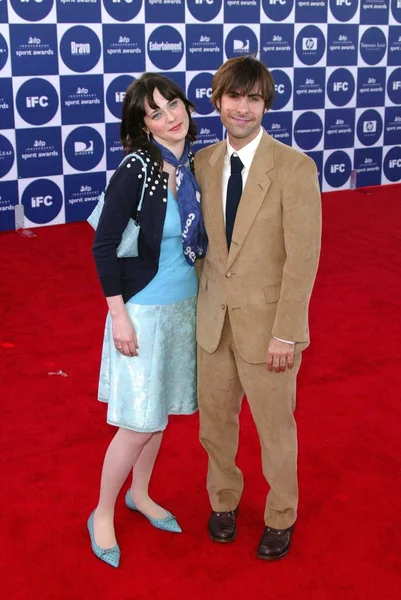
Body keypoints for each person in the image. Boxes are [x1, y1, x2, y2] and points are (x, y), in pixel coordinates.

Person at [194, 56, 322, 560]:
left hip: (269, 327)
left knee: (275, 429)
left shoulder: (294, 167)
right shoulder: (201, 163)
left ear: (265, 103)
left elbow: (303, 258)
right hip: (213, 324)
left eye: (252, 98)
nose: (241, 108)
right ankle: (223, 501)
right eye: (233, 97)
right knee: (214, 425)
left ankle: (280, 514)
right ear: (218, 101)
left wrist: (287, 332)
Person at [88, 73, 207, 568]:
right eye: (154, 112)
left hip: (184, 309)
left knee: (157, 416)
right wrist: (119, 317)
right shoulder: (138, 169)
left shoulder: (197, 163)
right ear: (142, 126)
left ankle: (141, 493)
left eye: (172, 103)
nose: (170, 116)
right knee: (137, 424)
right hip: (140, 312)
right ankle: (101, 512)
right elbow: (103, 243)